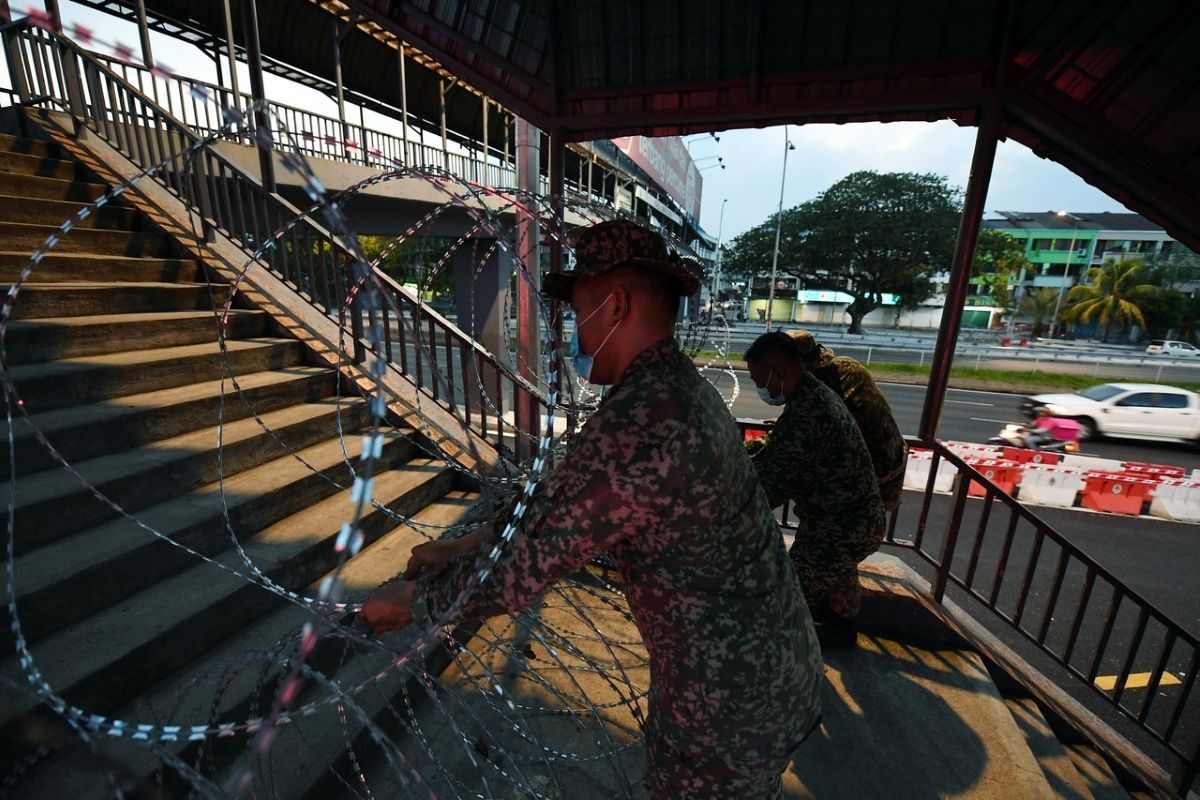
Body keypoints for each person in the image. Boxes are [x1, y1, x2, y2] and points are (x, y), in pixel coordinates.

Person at [361, 220, 822, 800]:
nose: (572, 332)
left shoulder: (645, 419)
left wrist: (417, 600)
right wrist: (461, 545)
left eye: (578, 312)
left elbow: (523, 568)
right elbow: (560, 505)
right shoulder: (674, 390)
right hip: (756, 675)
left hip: (726, 708)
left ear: (616, 306)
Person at [743, 330, 885, 639]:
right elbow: (776, 447)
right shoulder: (815, 394)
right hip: (857, 519)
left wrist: (722, 501)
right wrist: (740, 452)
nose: (761, 390)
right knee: (838, 569)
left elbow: (770, 483)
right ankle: (840, 625)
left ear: (778, 373)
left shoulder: (808, 413)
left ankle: (788, 652)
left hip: (839, 528)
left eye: (759, 381)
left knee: (786, 596)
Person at [784, 330, 908, 511]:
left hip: (868, 471)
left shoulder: (821, 389)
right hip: (892, 459)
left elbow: (813, 426)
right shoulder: (847, 366)